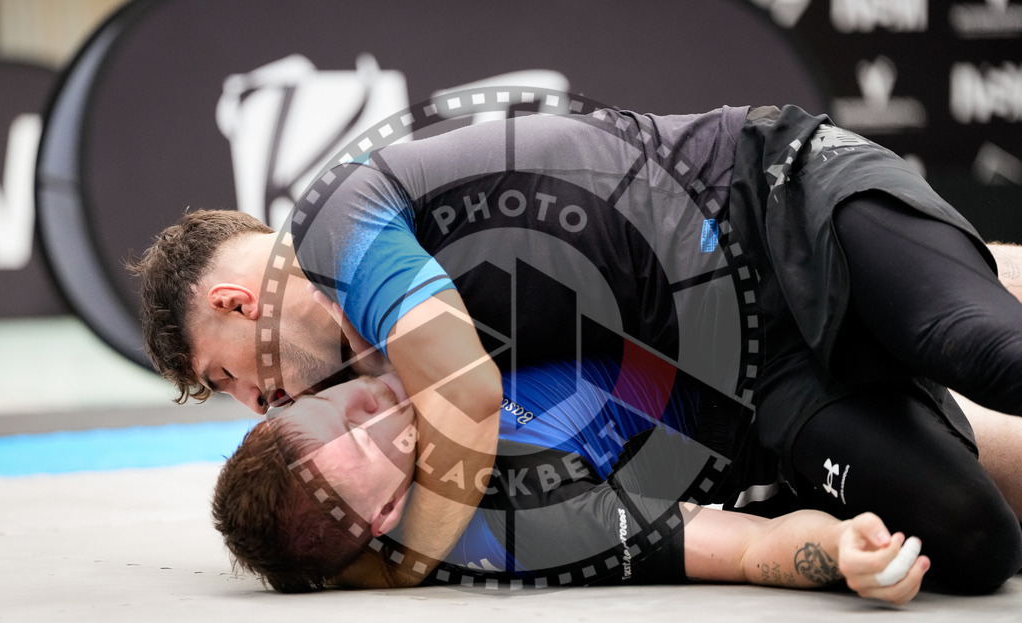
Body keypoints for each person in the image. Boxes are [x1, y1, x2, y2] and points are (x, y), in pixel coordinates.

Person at [132, 101, 1022, 590]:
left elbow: (467, 392)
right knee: (971, 541)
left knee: (978, 348)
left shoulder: (337, 233)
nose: (260, 401)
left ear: (235, 302)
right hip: (768, 382)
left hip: (768, 197)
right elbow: (727, 544)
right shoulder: (394, 415)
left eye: (228, 378)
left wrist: (401, 566)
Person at [212, 360, 929, 606]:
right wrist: (839, 551)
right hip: (775, 396)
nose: (373, 395)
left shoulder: (370, 349)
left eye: (330, 401)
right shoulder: (527, 522)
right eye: (365, 428)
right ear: (389, 511)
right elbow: (745, 548)